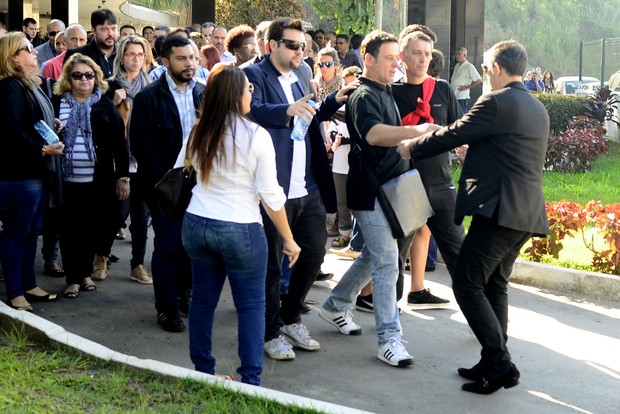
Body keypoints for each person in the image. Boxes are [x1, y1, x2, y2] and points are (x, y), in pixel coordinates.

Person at [398, 40, 550, 394]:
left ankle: (500, 364)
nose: (485, 75)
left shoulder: (496, 101)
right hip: (524, 211)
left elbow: (454, 133)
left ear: (496, 68)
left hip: (499, 211)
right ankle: (492, 359)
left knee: (467, 282)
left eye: (484, 69)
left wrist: (411, 146)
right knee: (494, 283)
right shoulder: (535, 106)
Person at [318, 30, 434, 367]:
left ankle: (336, 304)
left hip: (391, 188)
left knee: (373, 256)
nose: (396, 62)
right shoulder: (363, 94)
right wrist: (416, 130)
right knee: (386, 261)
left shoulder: (383, 90)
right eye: (390, 57)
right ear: (368, 59)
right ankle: (389, 339)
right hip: (369, 192)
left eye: (397, 56)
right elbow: (372, 134)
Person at [183, 65, 300, 385]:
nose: (252, 93)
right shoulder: (255, 135)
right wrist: (289, 239)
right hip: (240, 227)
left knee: (203, 300)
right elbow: (271, 196)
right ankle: (250, 380)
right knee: (251, 305)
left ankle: (203, 372)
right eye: (248, 89)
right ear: (235, 94)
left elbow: (182, 167)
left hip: (197, 222)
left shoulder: (199, 129)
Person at [243, 17, 346, 361]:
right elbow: (249, 112)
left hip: (309, 183)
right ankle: (270, 331)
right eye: (291, 45)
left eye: (303, 46)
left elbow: (310, 114)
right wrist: (286, 110)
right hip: (275, 186)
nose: (299, 51)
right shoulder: (252, 76)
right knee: (272, 265)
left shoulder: (304, 74)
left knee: (314, 254)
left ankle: (290, 316)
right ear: (271, 45)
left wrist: (332, 102)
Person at [130, 35, 204, 332]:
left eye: (193, 58)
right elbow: (141, 144)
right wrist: (164, 179)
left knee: (192, 245)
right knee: (168, 244)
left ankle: (184, 293)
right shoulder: (150, 97)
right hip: (164, 184)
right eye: (182, 59)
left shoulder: (203, 93)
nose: (190, 64)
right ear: (165, 61)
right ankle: (166, 307)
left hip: (200, 184)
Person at [392, 30, 464, 309]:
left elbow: (460, 130)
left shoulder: (443, 89)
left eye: (428, 54)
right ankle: (380, 309)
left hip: (440, 184)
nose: (423, 59)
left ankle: (485, 317)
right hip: (403, 185)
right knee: (393, 256)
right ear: (402, 57)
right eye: (416, 53)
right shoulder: (390, 92)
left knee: (460, 255)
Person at [51, 53, 130, 299]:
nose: (84, 80)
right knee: (69, 230)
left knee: (92, 228)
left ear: (96, 77)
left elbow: (120, 144)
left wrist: (123, 177)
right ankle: (73, 279)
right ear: (68, 78)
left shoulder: (105, 105)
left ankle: (85, 274)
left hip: (98, 180)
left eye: (89, 75)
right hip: (65, 181)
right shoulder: (57, 103)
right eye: (77, 76)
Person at [0, 32, 64, 311]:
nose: (35, 52)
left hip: (33, 173)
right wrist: (43, 149)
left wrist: (51, 126)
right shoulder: (9, 87)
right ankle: (15, 292)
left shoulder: (25, 85)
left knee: (29, 232)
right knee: (17, 233)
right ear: (13, 57)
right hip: (17, 175)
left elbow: (29, 123)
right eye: (28, 49)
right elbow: (11, 133)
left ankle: (28, 284)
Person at [104, 35, 153, 285]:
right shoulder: (109, 86)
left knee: (141, 216)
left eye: (140, 54)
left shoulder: (153, 86)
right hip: (118, 159)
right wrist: (112, 104)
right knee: (117, 212)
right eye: (131, 54)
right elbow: (100, 123)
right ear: (121, 57)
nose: (136, 58)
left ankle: (138, 264)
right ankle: (101, 255)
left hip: (143, 158)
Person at [65, 9, 119, 78]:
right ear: (93, 31)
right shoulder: (76, 55)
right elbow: (67, 85)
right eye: (104, 29)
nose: (110, 34)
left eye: (113, 28)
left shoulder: (125, 54)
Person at [450, 47, 482, 113]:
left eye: (459, 54)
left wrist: (467, 87)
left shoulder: (469, 66)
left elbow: (479, 81)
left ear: (464, 55)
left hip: (462, 97)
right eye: (456, 54)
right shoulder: (457, 65)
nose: (456, 56)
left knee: (462, 116)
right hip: (454, 97)